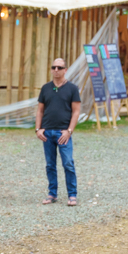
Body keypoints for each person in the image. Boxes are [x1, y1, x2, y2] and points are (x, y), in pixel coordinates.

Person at [35, 57, 81, 206]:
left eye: (59, 67)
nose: (56, 70)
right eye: (53, 67)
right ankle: (52, 193)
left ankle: (72, 195)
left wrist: (69, 131)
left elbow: (76, 112)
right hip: (47, 132)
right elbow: (40, 110)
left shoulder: (72, 89)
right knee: (50, 165)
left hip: (63, 133)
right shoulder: (45, 88)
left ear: (65, 70)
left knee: (68, 163)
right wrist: (38, 129)